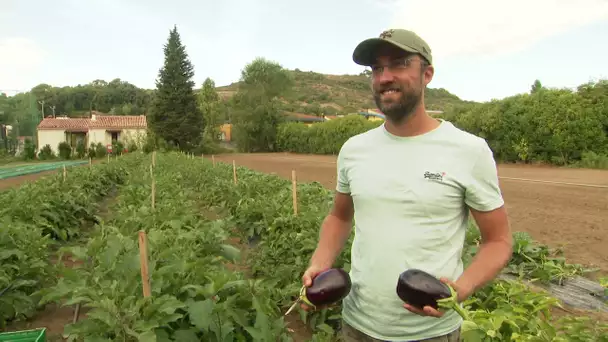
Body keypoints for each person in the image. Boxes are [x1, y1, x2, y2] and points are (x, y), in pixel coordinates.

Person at [300, 28, 513, 341]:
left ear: (427, 74)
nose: (385, 77)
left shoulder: (469, 151)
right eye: (376, 68)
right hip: (357, 325)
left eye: (399, 64)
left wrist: (462, 288)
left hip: (430, 332)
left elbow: (499, 241)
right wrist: (320, 263)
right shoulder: (354, 150)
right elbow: (340, 217)